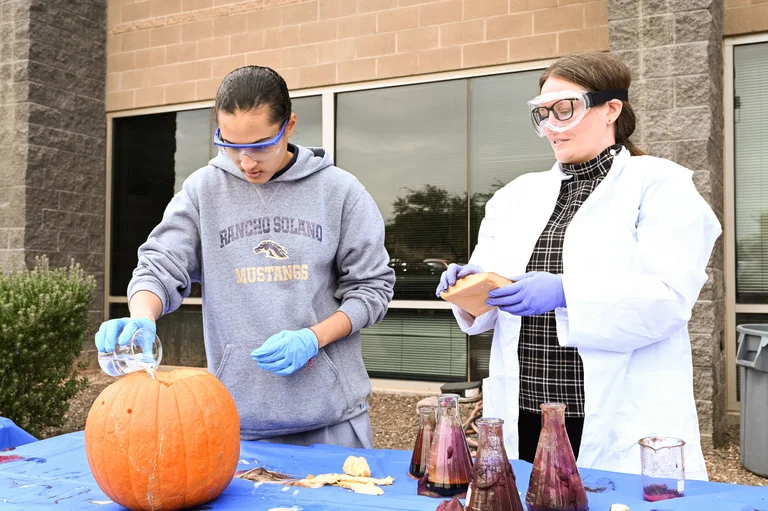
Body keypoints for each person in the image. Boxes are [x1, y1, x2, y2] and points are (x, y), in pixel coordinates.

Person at [436, 52, 721, 480]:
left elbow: (668, 297)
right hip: (525, 403)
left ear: (611, 109)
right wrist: (470, 288)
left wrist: (566, 291)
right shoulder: (517, 195)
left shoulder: (661, 186)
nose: (551, 125)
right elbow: (489, 302)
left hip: (613, 407)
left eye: (564, 109)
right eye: (542, 113)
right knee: (528, 494)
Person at [95, 66, 395, 449]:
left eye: (259, 146)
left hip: (332, 422)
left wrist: (313, 338)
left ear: (289, 126)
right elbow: (159, 267)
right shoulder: (203, 190)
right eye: (230, 145)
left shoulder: (339, 191)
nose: (245, 161)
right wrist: (141, 318)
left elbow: (372, 290)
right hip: (233, 423)